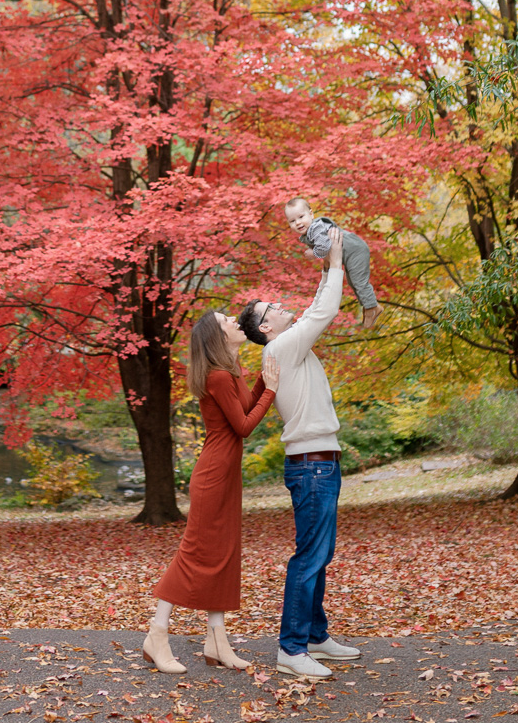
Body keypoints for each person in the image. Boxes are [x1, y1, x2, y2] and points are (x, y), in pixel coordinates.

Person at [237, 229, 361, 681]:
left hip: (321, 463)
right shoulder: (281, 346)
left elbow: (312, 308)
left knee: (319, 553)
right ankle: (291, 648)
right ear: (266, 327)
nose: (279, 304)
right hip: (312, 468)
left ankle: (313, 635)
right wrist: (335, 262)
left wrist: (325, 260)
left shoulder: (288, 343)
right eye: (270, 308)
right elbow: (324, 310)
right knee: (309, 555)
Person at [143, 310, 280, 674]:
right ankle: (157, 634)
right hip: (213, 475)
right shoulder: (218, 375)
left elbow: (245, 407)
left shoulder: (229, 370)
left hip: (225, 474)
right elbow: (244, 426)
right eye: (227, 321)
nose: (237, 321)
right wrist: (273, 390)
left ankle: (217, 641)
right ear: (216, 336)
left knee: (224, 553)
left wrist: (265, 383)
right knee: (194, 553)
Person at [285, 197, 383, 326]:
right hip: (349, 252)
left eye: (301, 217)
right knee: (352, 281)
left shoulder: (316, 228)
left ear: (311, 214)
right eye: (292, 221)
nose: (298, 223)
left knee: (359, 281)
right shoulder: (310, 232)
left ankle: (372, 307)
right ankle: (368, 305)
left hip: (354, 250)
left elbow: (324, 247)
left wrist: (313, 253)